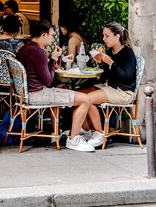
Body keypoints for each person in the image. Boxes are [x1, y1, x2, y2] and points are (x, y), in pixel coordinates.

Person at [16, 20, 95, 152]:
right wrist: (53, 59)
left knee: (62, 89)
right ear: (43, 34)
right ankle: (74, 138)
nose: (53, 38)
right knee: (85, 99)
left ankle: (65, 133)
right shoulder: (39, 52)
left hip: (26, 94)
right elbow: (48, 81)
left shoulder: (24, 48)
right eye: (52, 35)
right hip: (38, 95)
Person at [78, 23, 138, 148]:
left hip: (123, 91)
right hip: (111, 87)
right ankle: (87, 131)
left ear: (117, 36)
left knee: (86, 99)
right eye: (103, 36)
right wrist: (101, 63)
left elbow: (126, 78)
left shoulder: (127, 53)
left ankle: (99, 134)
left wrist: (110, 62)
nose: (104, 39)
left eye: (107, 36)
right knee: (79, 94)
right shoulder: (111, 51)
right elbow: (107, 76)